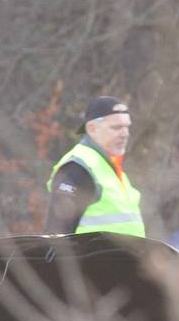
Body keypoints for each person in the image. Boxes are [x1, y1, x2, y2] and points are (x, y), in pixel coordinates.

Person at [43, 95, 146, 237]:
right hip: (91, 259)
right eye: (116, 127)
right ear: (92, 129)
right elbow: (57, 237)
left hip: (119, 259)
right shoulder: (78, 167)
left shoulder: (111, 168)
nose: (125, 134)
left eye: (127, 127)